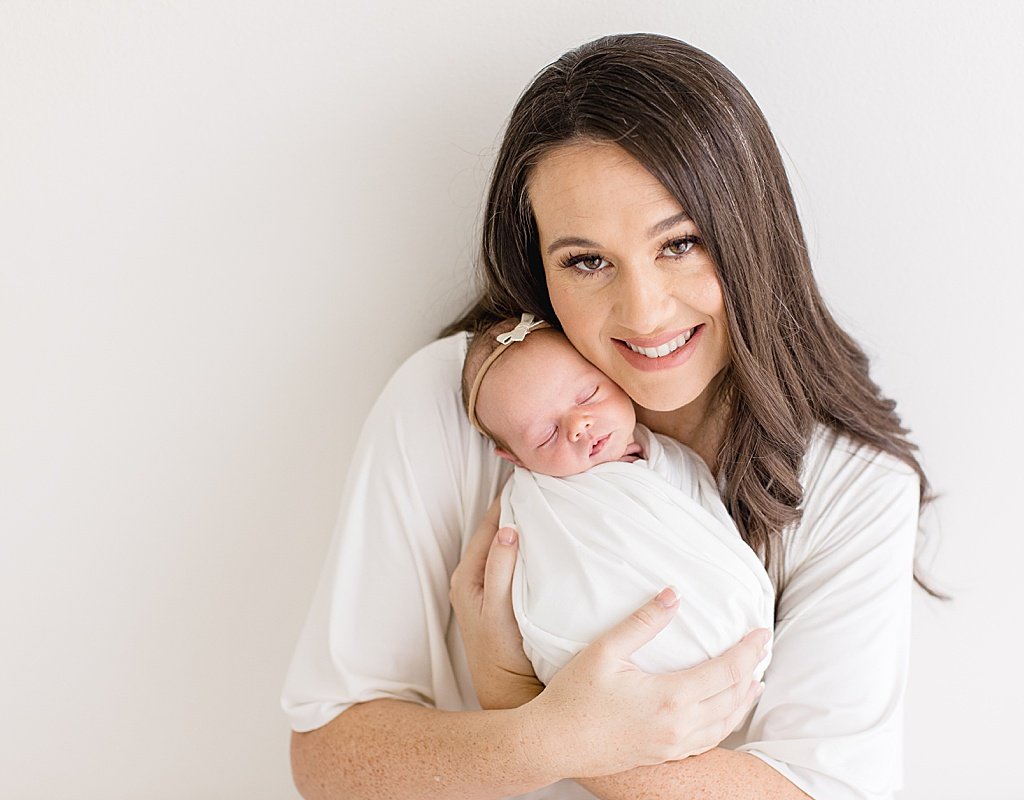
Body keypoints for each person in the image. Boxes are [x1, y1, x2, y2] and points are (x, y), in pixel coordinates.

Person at [284, 32, 932, 800]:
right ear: (537, 264)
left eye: (681, 244)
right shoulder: (458, 406)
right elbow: (330, 757)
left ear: (751, 237)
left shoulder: (854, 484)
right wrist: (540, 738)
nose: (645, 311)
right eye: (586, 261)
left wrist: (523, 702)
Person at [461, 313, 774, 687]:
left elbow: (705, 523)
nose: (578, 426)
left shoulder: (670, 457)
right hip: (600, 679)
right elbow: (549, 587)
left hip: (726, 640)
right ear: (514, 459)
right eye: (545, 435)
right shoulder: (536, 505)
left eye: (588, 395)